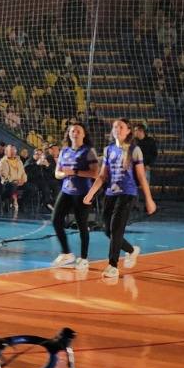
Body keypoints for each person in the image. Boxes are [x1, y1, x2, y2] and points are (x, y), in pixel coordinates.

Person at [84, 118, 156, 279]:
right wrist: (90, 193)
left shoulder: (134, 150)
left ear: (128, 130)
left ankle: (113, 265)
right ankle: (131, 250)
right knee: (107, 230)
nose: (117, 129)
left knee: (116, 229)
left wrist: (149, 199)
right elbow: (102, 176)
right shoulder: (109, 150)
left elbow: (141, 176)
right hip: (111, 193)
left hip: (127, 194)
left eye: (121, 127)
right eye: (115, 126)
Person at [51, 121, 99, 269]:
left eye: (78, 131)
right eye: (73, 131)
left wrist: (75, 172)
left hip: (83, 192)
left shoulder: (88, 151)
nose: (75, 133)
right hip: (66, 190)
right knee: (56, 220)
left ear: (84, 134)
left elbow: (95, 173)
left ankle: (83, 258)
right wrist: (63, 174)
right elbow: (57, 173)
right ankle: (66, 253)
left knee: (81, 225)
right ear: (69, 134)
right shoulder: (64, 151)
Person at [0, 144, 27, 216]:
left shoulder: (19, 161)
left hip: (19, 182)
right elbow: (4, 175)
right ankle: (8, 201)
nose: (13, 152)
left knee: (32, 188)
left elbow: (23, 173)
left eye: (14, 150)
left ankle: (21, 202)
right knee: (13, 186)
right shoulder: (3, 162)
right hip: (8, 183)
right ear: (6, 152)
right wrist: (14, 181)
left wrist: (23, 180)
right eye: (11, 150)